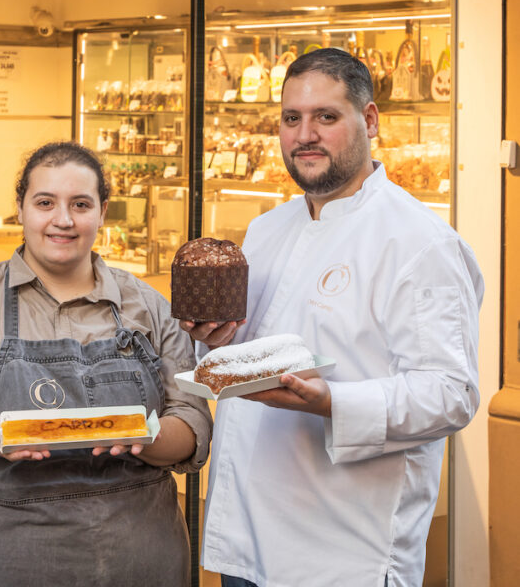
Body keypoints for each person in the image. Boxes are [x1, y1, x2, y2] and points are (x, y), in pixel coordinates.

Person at [182, 48, 483, 587]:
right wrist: (216, 340)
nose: (305, 135)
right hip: (245, 541)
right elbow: (252, 356)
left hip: (344, 554)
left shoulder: (419, 242)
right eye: (291, 118)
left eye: (326, 116)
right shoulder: (266, 230)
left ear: (369, 120)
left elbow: (450, 393)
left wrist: (331, 402)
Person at [0, 141, 211, 587]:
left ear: (103, 212)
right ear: (20, 208)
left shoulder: (150, 308)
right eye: (45, 203)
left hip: (133, 560)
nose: (63, 220)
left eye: (80, 204)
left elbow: (192, 424)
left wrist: (144, 435)